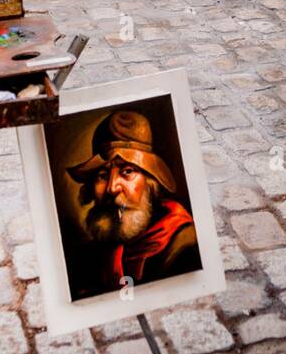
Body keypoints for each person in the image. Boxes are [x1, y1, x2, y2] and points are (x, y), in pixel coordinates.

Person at [67, 110, 200, 297]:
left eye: (127, 171)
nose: (112, 188)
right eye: (103, 175)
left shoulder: (185, 245)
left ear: (150, 183)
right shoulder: (87, 256)